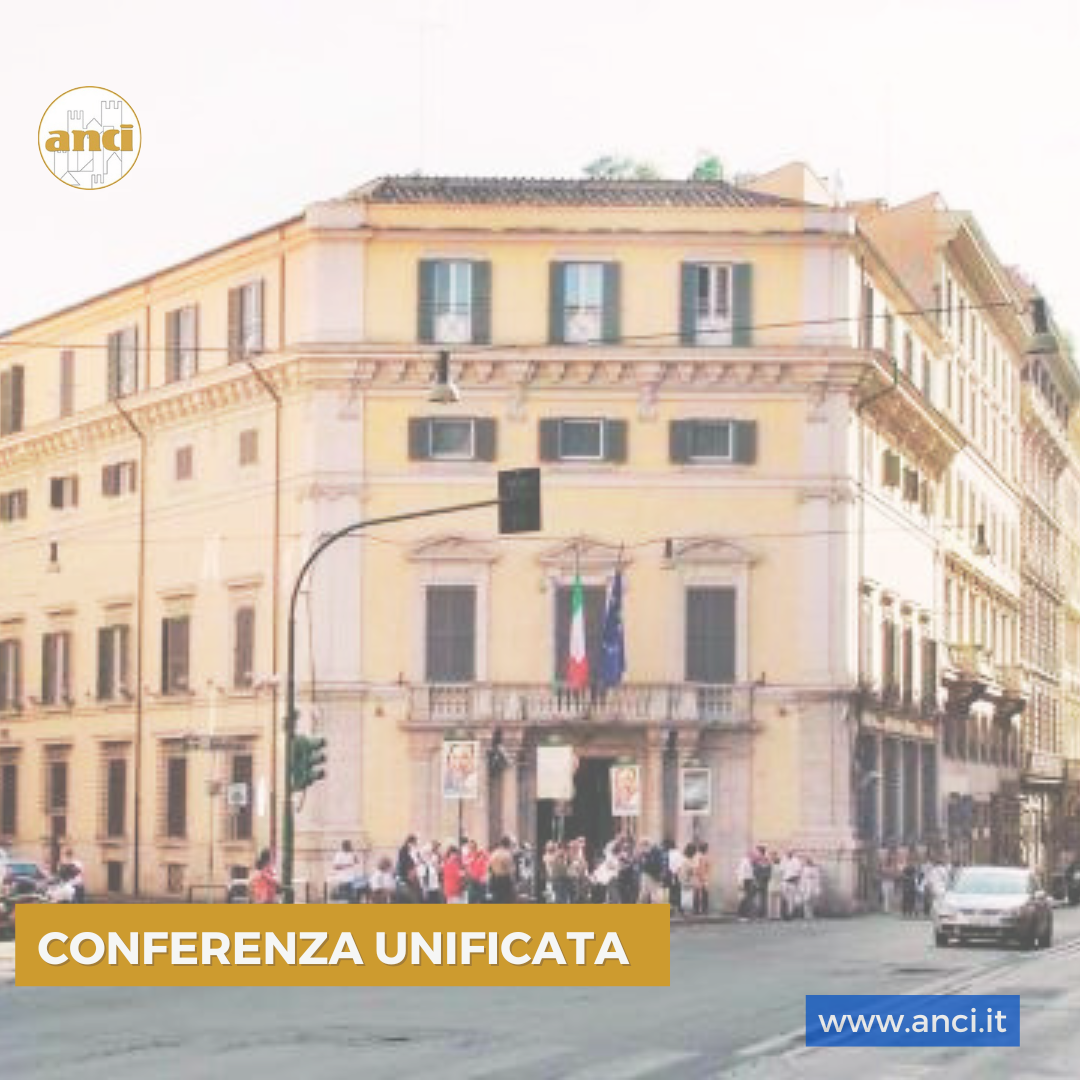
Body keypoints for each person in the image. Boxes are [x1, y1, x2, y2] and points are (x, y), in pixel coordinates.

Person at [488, 836, 516, 903]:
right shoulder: (507, 854)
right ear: (508, 844)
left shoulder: (494, 853)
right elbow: (511, 870)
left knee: (496, 901)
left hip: (494, 879)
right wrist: (513, 883)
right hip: (504, 880)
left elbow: (489, 868)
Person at [396, 834, 420, 903]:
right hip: (405, 877)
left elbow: (415, 862)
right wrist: (411, 870)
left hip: (411, 877)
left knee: (414, 898)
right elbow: (404, 863)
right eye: (414, 843)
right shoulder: (403, 850)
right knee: (411, 899)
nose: (415, 845)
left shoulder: (412, 851)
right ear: (410, 842)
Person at [780, 850, 802, 920]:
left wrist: (796, 880)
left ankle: (790, 914)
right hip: (784, 881)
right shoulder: (783, 860)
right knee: (784, 898)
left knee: (791, 899)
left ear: (792, 853)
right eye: (787, 852)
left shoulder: (796, 860)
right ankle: (784, 913)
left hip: (792, 881)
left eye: (790, 852)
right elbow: (781, 870)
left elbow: (798, 871)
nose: (788, 854)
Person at [692, 841, 711, 915]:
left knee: (704, 893)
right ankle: (697, 910)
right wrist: (701, 877)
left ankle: (703, 909)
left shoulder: (703, 856)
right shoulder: (698, 856)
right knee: (698, 893)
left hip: (703, 877)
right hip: (699, 877)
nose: (707, 849)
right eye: (706, 848)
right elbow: (696, 868)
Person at [736, 849, 755, 921]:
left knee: (747, 899)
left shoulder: (749, 862)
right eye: (752, 855)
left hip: (748, 881)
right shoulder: (744, 861)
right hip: (744, 881)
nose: (753, 856)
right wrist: (740, 883)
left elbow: (751, 873)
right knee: (743, 898)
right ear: (748, 855)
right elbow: (741, 873)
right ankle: (741, 915)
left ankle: (746, 915)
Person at [766, 850, 783, 920]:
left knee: (773, 901)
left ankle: (773, 915)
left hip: (773, 884)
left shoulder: (771, 866)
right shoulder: (780, 867)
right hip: (776, 884)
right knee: (775, 901)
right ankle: (775, 915)